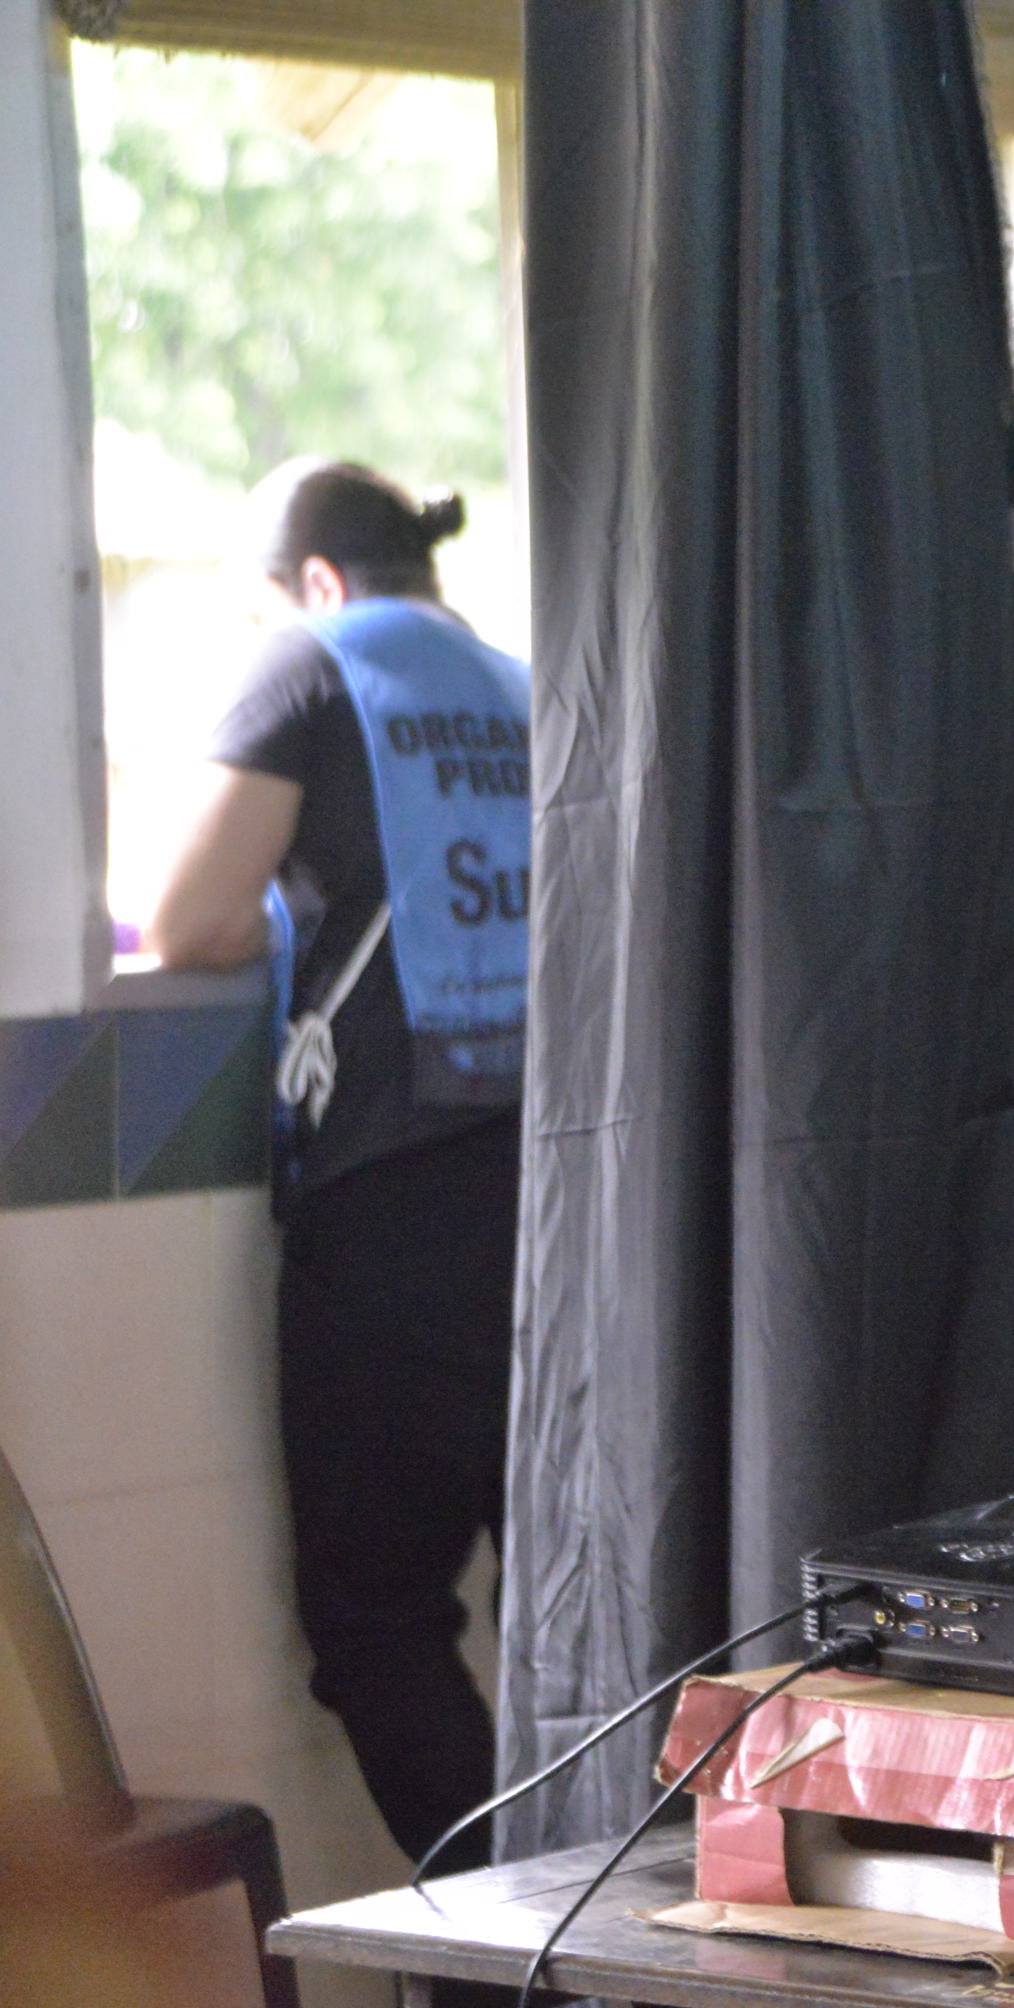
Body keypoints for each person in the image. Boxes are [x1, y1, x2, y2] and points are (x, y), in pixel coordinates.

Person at [148, 459, 529, 1874]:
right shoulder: (529, 684)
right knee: (568, 1602)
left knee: (376, 1622)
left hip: (395, 1205)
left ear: (313, 581)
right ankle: (616, 1931)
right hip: (560, 1198)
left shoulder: (311, 664)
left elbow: (189, 921)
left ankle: (511, 1942)